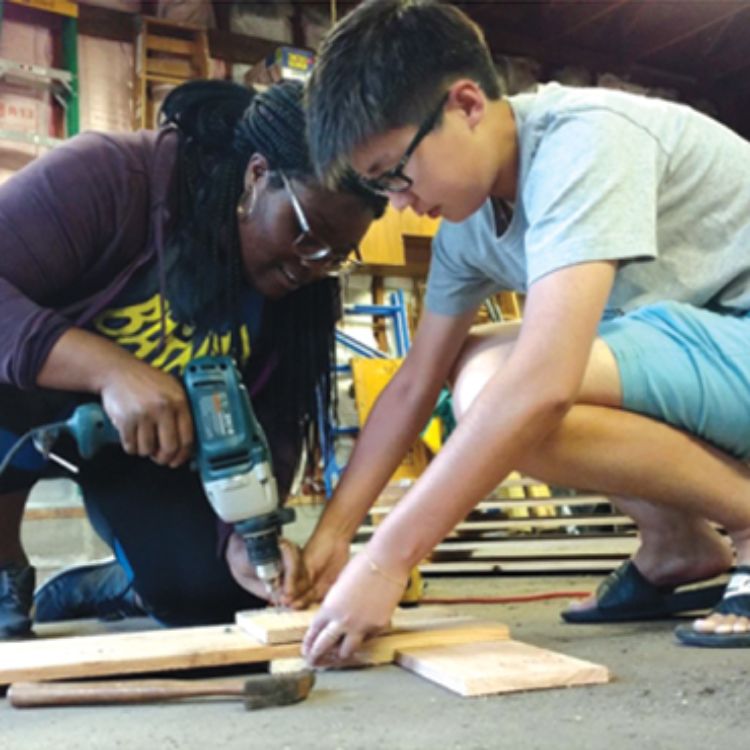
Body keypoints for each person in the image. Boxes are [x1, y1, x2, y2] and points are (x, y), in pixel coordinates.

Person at [297, 0, 750, 663]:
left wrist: (386, 563)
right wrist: (333, 537)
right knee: (474, 364)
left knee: (512, 387)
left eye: (396, 171)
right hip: (714, 354)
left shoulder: (584, 140)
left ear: (468, 105)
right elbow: (415, 383)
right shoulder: (467, 227)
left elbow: (542, 385)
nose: (400, 201)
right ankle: (676, 544)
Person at [0, 78, 385, 639]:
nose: (315, 265)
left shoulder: (302, 299)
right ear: (257, 175)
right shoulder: (113, 177)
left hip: (147, 445)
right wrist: (108, 370)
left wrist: (244, 538)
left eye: (337, 256)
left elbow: (269, 427)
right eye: (308, 234)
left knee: (210, 594)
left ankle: (113, 584)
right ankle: (4, 568)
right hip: (25, 404)